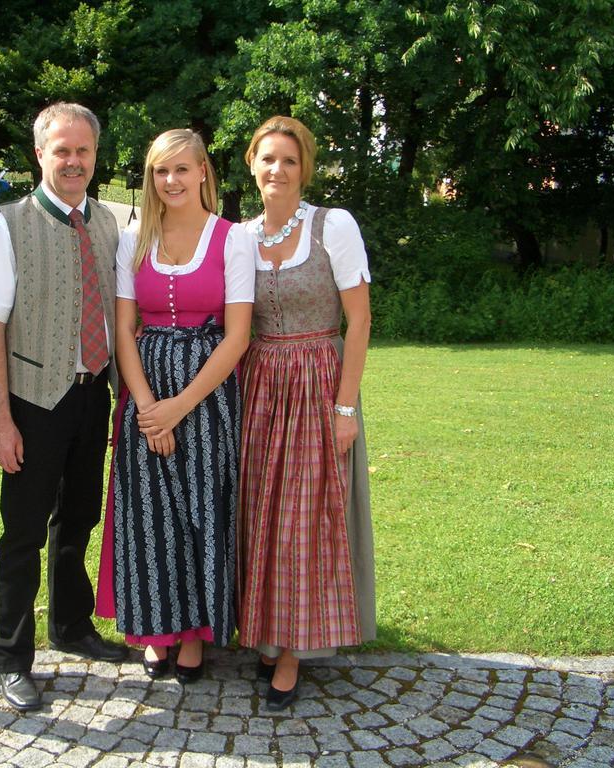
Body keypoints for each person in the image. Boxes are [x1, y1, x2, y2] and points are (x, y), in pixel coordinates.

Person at [0, 102, 127, 713]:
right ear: (40, 154)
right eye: (61, 150)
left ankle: (72, 624)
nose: (73, 161)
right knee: (24, 532)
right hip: (34, 401)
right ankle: (11, 657)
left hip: (93, 396)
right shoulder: (8, 225)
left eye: (83, 151)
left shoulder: (112, 223)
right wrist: (2, 419)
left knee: (80, 517)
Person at [99, 128, 254, 683]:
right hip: (143, 390)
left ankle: (194, 634)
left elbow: (237, 337)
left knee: (201, 513)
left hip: (207, 396)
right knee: (148, 517)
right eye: (161, 172)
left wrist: (178, 407)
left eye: (182, 170)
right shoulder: (134, 237)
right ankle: (155, 631)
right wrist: (146, 408)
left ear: (204, 172)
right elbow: (124, 326)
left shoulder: (232, 239)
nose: (171, 181)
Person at [237, 116, 376, 711]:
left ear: (305, 168)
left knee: (303, 517)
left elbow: (360, 320)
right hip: (259, 386)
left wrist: (345, 406)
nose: (277, 170)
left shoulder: (332, 226)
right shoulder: (240, 236)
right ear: (251, 164)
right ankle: (267, 633)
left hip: (319, 383)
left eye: (289, 160)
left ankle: (292, 649)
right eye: (268, 158)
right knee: (260, 512)